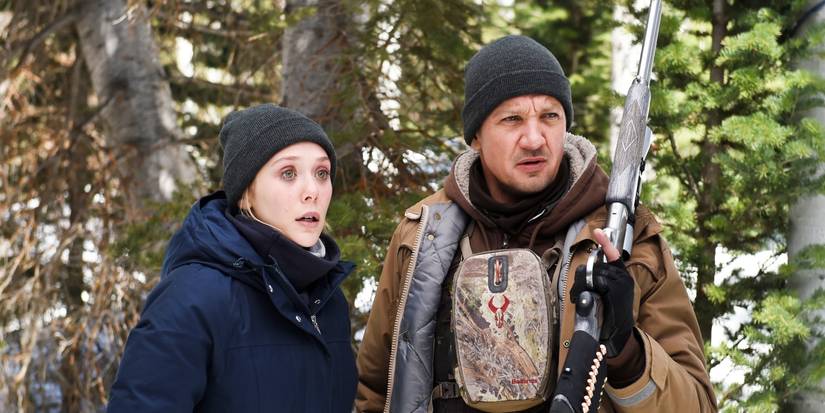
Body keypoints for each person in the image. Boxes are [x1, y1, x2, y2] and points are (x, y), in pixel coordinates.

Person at [355, 35, 716, 412]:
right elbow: (375, 393)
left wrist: (628, 352)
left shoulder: (626, 237)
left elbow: (697, 404)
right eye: (512, 119)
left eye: (549, 117)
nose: (533, 139)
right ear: (476, 135)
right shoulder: (423, 235)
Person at [108, 104, 357, 412]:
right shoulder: (192, 296)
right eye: (288, 173)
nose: (312, 191)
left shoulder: (327, 300)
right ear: (245, 192)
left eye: (322, 173)